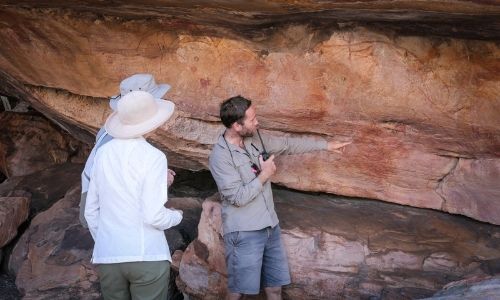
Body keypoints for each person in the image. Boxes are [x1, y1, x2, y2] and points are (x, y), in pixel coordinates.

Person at [208, 96, 351, 300]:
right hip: (244, 231)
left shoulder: (255, 138)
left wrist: (326, 145)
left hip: (270, 226)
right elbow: (237, 197)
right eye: (252, 119)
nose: (257, 122)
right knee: (238, 292)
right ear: (237, 126)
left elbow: (286, 144)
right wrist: (264, 175)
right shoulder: (219, 157)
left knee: (275, 289)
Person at [85, 90, 182, 300]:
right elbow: (153, 216)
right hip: (146, 253)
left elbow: (90, 211)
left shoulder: (102, 154)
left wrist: (106, 241)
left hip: (109, 256)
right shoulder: (154, 157)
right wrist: (177, 216)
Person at [79, 73, 176, 228]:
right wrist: (160, 180)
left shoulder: (112, 129)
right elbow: (123, 183)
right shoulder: (118, 140)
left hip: (94, 189)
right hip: (101, 199)